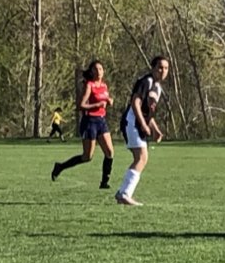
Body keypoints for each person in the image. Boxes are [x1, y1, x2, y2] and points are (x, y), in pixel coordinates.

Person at [114, 55, 171, 206]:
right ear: (153, 68)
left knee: (142, 158)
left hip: (138, 124)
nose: (162, 71)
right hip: (131, 123)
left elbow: (148, 113)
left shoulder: (157, 88)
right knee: (141, 158)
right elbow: (136, 103)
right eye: (159, 67)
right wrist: (143, 125)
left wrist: (155, 129)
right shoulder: (147, 81)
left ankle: (123, 193)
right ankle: (124, 194)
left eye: (166, 68)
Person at [51, 60, 114, 188]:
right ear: (91, 71)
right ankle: (60, 166)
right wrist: (97, 104)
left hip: (101, 121)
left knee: (109, 152)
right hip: (90, 121)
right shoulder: (89, 85)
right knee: (87, 157)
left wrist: (109, 100)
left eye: (101, 69)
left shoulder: (104, 86)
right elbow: (81, 106)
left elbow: (106, 100)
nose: (99, 71)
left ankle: (104, 182)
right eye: (96, 69)